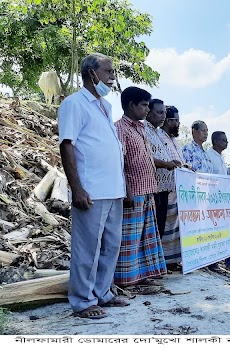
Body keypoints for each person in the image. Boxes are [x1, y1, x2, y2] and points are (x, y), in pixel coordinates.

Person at [58, 53, 129, 319]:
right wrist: (77, 188)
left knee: (111, 246)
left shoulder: (105, 107)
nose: (112, 77)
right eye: (109, 72)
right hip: (91, 190)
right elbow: (67, 145)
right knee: (87, 248)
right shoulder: (74, 104)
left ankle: (103, 293)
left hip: (113, 190)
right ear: (91, 73)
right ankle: (82, 301)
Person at [114, 86, 167, 287]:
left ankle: (142, 275)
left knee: (146, 238)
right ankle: (126, 280)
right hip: (132, 191)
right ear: (131, 105)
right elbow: (119, 161)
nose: (147, 109)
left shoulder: (141, 128)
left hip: (147, 190)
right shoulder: (120, 128)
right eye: (144, 105)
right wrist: (126, 190)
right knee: (130, 239)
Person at [144, 99, 181, 249]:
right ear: (149, 112)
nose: (163, 116)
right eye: (159, 113)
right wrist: (166, 164)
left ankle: (154, 266)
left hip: (164, 189)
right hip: (153, 188)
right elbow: (145, 157)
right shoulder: (145, 130)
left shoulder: (154, 132)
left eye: (164, 113)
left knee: (159, 227)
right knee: (152, 228)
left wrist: (171, 162)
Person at [157, 105, 185, 271]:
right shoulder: (159, 136)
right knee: (164, 226)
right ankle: (164, 261)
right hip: (164, 190)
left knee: (175, 229)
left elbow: (178, 162)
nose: (178, 124)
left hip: (177, 191)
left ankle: (173, 261)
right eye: (176, 120)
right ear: (168, 120)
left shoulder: (174, 140)